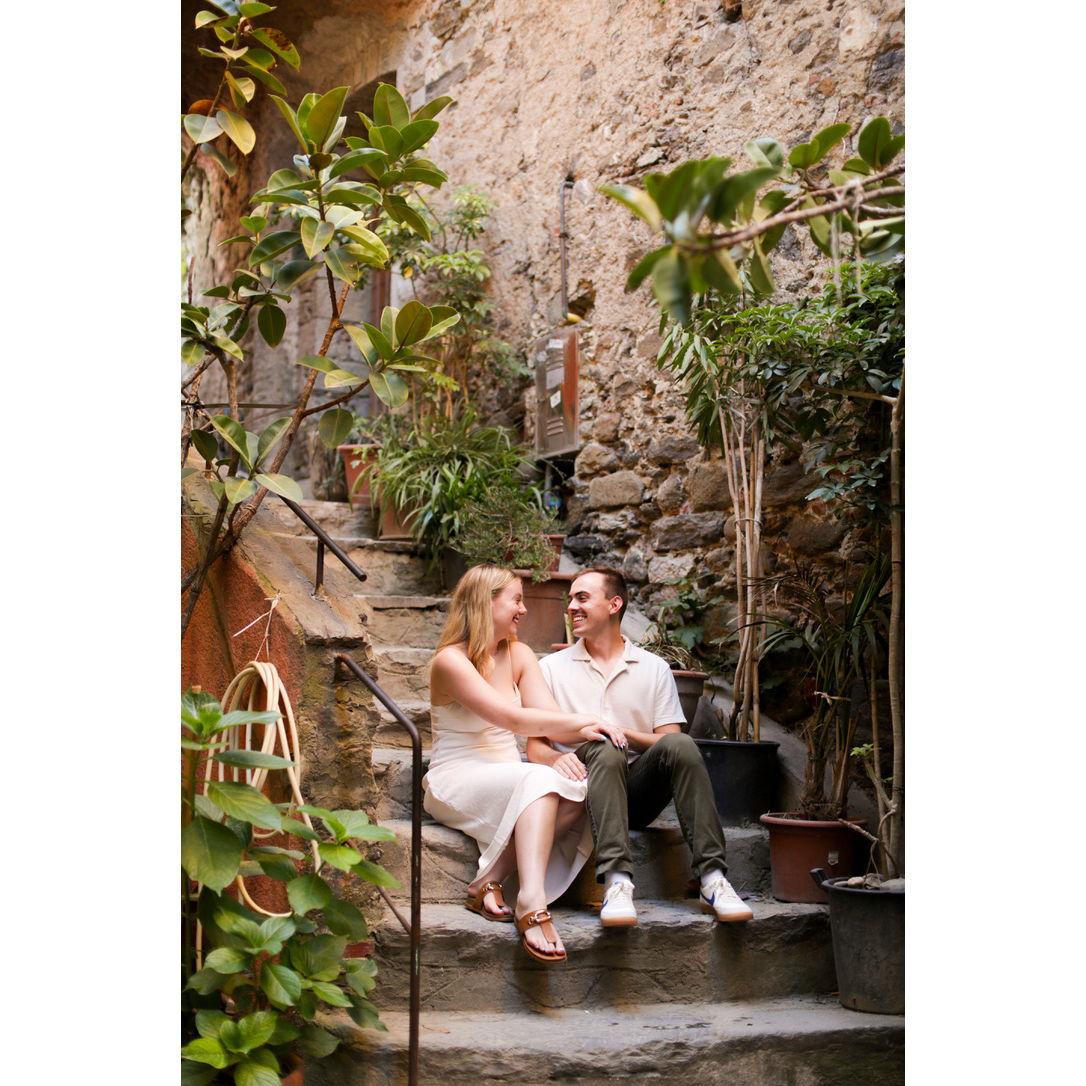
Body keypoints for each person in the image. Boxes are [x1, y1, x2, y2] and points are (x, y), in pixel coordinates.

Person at [424, 564, 628, 964]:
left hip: (509, 774)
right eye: (516, 600)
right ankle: (530, 900)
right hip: (457, 777)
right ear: (486, 603)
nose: (524, 610)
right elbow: (513, 720)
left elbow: (549, 719)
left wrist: (586, 734)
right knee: (541, 780)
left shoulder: (518, 654)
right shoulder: (449, 661)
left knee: (576, 790)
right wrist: (585, 721)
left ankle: (489, 880)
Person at [528, 567, 753, 927]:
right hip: (579, 793)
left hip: (636, 793)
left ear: (614, 604)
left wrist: (624, 733)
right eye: (569, 598)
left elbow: (669, 740)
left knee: (680, 744)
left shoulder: (654, 668)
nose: (571, 606)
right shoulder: (551, 668)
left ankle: (713, 878)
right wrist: (558, 757)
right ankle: (617, 882)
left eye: (582, 598)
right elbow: (535, 747)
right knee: (602, 745)